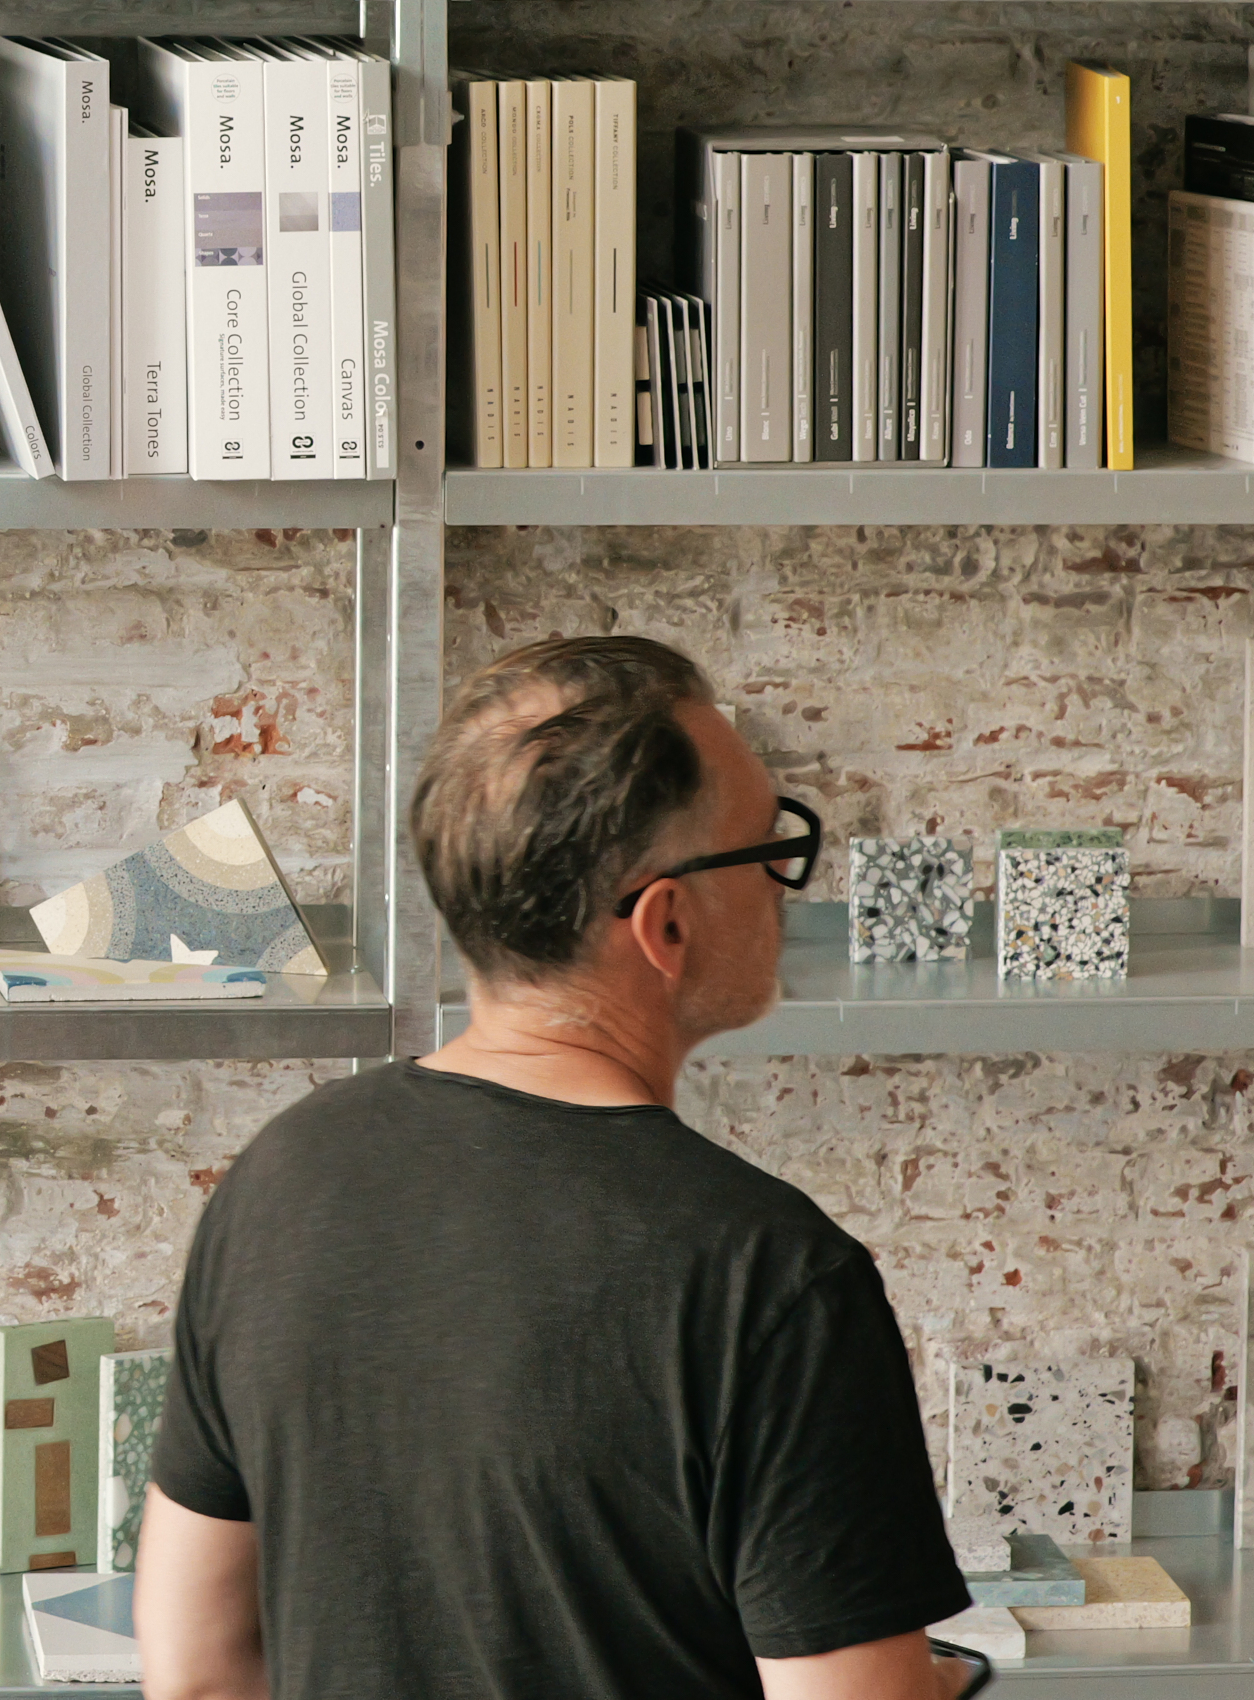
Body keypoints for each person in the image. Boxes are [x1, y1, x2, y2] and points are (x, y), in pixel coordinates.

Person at [131, 634, 978, 1700]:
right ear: (666, 922)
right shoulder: (770, 1279)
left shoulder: (280, 1177)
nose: (782, 886)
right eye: (767, 848)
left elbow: (197, 1671)